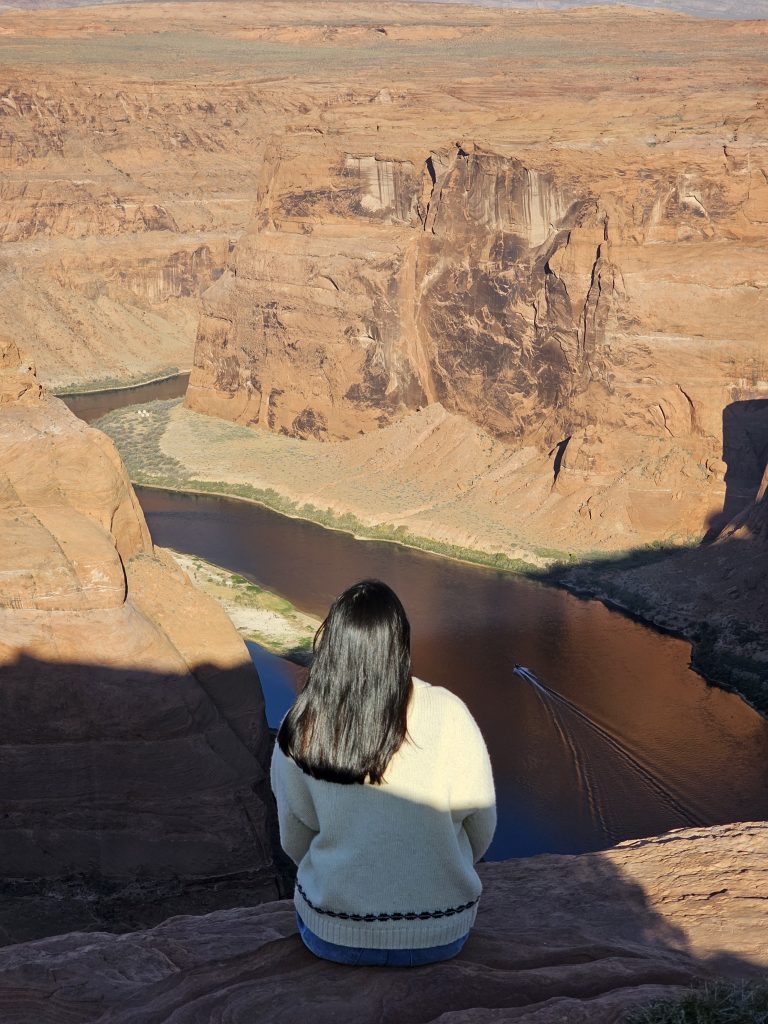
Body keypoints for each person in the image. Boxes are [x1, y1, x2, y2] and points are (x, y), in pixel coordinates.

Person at [271, 578, 496, 967]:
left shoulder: (302, 721)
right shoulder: (449, 711)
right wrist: (435, 865)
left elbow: (295, 837)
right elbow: (481, 826)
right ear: (400, 645)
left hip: (332, 935)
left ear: (333, 644)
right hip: (443, 935)